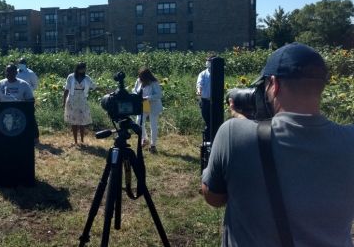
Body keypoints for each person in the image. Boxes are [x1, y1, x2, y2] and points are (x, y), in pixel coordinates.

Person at [201, 43, 354, 246]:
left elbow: (214, 197)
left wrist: (239, 125)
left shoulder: (232, 133)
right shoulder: (349, 140)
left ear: (274, 84)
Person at [63, 62, 96, 144]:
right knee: (74, 122)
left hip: (82, 100)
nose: (83, 69)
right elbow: (66, 89)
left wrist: (104, 90)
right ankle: (75, 141)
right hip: (72, 100)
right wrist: (63, 101)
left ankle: (82, 140)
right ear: (77, 68)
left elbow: (94, 86)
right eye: (81, 68)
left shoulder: (87, 78)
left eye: (84, 68)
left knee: (82, 121)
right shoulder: (70, 77)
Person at [133, 68, 163, 154]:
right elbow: (134, 90)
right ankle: (144, 139)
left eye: (142, 77)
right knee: (139, 121)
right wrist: (136, 96)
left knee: (153, 125)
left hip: (153, 104)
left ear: (146, 76)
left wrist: (147, 98)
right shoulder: (139, 80)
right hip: (144, 104)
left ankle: (153, 145)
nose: (140, 79)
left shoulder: (154, 82)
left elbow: (159, 95)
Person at [196, 55, 215, 138]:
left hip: (215, 101)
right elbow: (199, 83)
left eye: (210, 61)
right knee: (206, 118)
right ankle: (208, 134)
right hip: (205, 101)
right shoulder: (203, 73)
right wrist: (199, 90)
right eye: (207, 61)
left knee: (214, 119)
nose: (208, 62)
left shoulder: (218, 73)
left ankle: (212, 134)